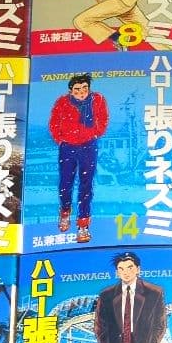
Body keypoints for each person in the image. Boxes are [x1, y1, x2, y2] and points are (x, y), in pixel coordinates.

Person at [49, 74, 109, 243]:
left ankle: (83, 224)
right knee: (65, 183)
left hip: (88, 146)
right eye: (77, 89)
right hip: (67, 147)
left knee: (86, 185)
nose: (81, 92)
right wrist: (60, 139)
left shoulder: (97, 100)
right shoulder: (62, 102)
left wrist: (95, 132)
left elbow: (103, 118)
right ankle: (65, 212)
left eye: (84, 88)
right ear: (71, 90)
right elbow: (54, 122)